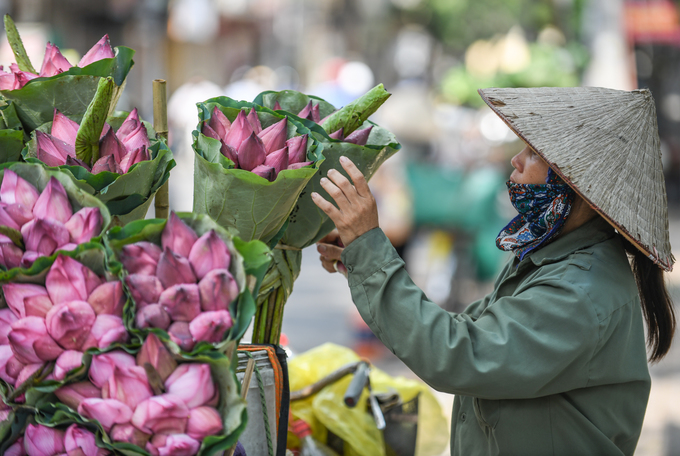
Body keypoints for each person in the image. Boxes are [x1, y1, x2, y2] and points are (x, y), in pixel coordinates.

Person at [311, 86, 676, 456]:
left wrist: (371, 252)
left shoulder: (579, 289)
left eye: (532, 153)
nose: (516, 161)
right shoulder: (550, 259)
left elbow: (457, 355)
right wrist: (359, 257)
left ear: (575, 183)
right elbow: (459, 330)